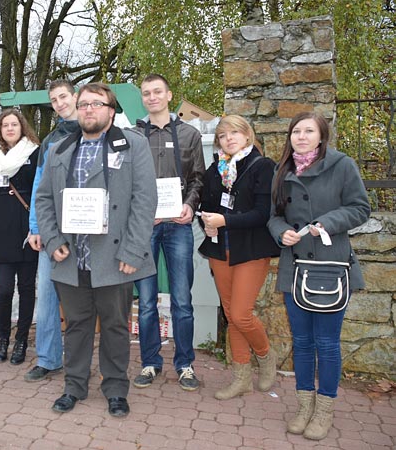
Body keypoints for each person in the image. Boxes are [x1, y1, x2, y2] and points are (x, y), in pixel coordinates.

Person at [36, 82, 157, 417]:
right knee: (76, 326)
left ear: (111, 110)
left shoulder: (133, 144)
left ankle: (116, 389)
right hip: (71, 256)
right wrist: (53, 240)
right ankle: (74, 387)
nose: (89, 109)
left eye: (96, 103)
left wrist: (133, 251)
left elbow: (145, 200)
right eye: (84, 104)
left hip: (115, 257)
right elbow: (43, 199)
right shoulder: (59, 148)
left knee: (115, 327)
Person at [268, 112, 369, 440]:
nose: (301, 136)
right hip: (295, 266)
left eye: (308, 131)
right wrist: (282, 232)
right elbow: (274, 216)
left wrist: (328, 221)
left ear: (322, 135)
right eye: (296, 131)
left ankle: (324, 410)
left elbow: (360, 208)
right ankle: (303, 406)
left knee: (326, 343)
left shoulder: (342, 165)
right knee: (301, 341)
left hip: (330, 267)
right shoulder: (282, 170)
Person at [197, 115, 280, 400]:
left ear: (247, 135)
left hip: (251, 250)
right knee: (232, 315)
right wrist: (207, 224)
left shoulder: (263, 167)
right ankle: (241, 377)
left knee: (242, 314)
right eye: (222, 135)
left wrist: (225, 221)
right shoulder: (215, 170)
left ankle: (266, 355)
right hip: (221, 250)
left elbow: (263, 214)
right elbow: (206, 207)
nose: (228, 139)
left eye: (234, 133)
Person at [132, 74, 205, 391]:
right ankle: (150, 363)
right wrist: (138, 212)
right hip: (144, 226)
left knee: (182, 300)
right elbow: (127, 180)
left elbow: (198, 178)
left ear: (169, 95)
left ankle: (185, 364)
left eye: (157, 91)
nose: (152, 97)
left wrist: (189, 205)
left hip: (178, 225)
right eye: (146, 93)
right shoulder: (133, 135)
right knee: (146, 301)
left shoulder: (190, 134)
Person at [25, 80, 79, 382]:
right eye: (54, 100)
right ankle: (48, 358)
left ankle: (79, 361)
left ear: (75, 97)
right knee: (46, 295)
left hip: (88, 231)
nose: (60, 103)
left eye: (63, 97)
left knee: (83, 301)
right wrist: (35, 227)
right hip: (53, 230)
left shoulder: (96, 130)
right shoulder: (50, 140)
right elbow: (39, 186)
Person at [0, 109, 39, 364]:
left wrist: (38, 228)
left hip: (27, 230)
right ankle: (3, 337)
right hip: (0, 229)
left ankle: (21, 340)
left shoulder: (33, 153)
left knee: (26, 288)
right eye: (6, 125)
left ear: (22, 127)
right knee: (3, 289)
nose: (10, 128)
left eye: (15, 124)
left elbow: (40, 192)